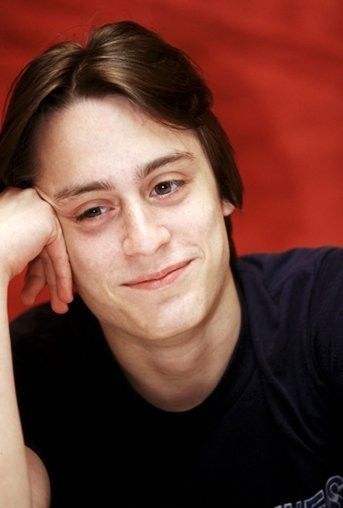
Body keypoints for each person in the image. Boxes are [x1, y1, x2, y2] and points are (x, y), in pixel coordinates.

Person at [0, 20, 341, 508]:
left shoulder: (329, 309)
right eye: (93, 210)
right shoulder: (21, 380)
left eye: (166, 186)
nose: (144, 240)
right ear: (47, 239)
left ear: (221, 186)